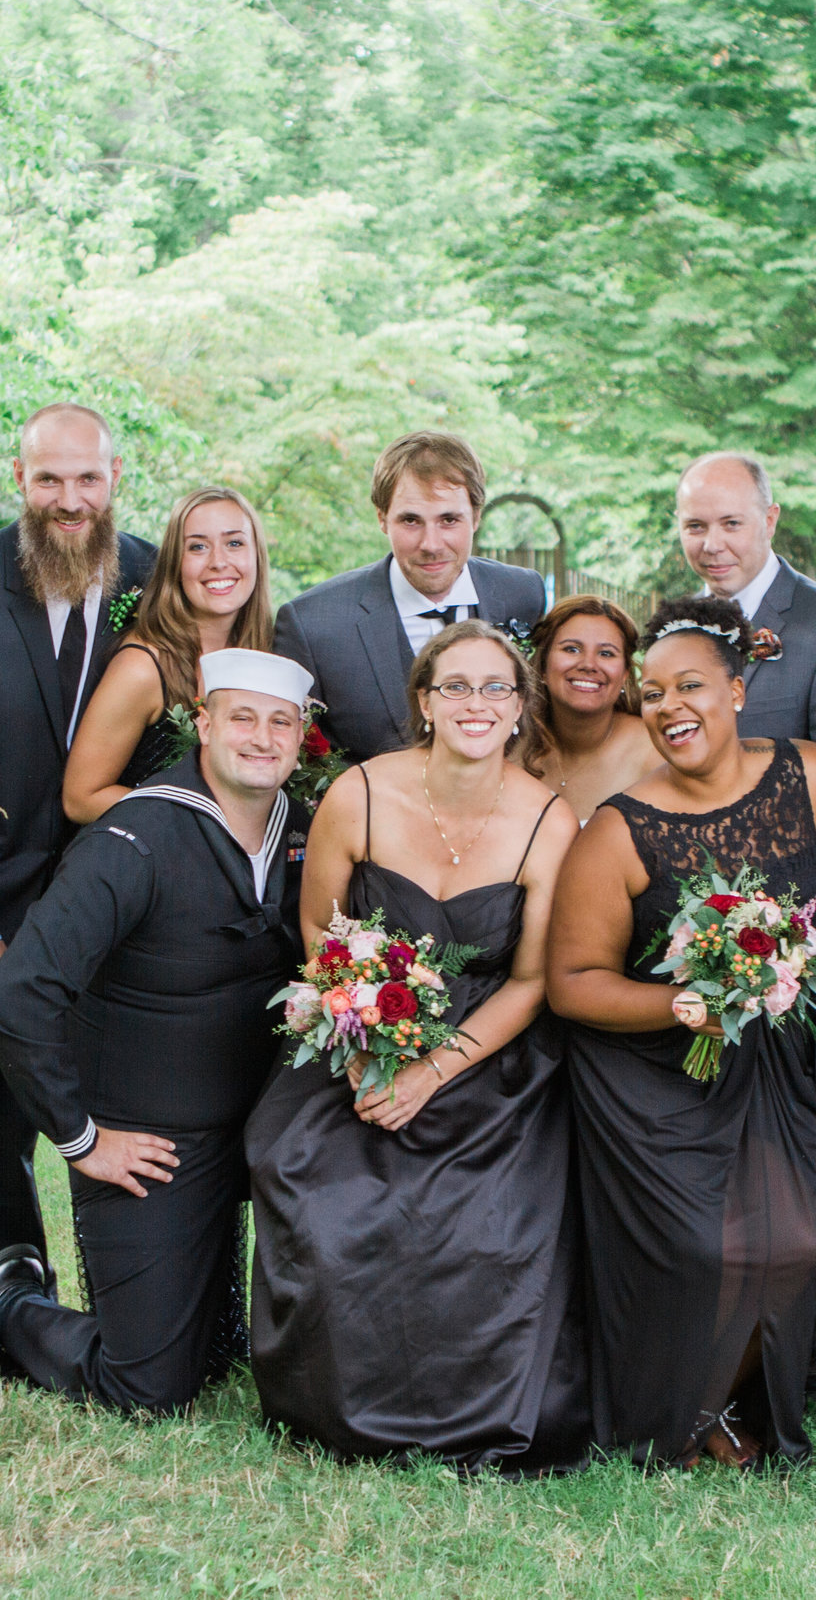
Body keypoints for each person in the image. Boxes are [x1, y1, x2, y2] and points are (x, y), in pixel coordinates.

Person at [247, 622, 588, 1472]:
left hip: (487, 1053)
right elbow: (321, 937)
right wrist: (363, 1046)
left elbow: (533, 980)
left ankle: (483, 1412)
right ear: (425, 703)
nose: (476, 704)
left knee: (487, 1230)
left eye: (496, 689)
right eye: (456, 687)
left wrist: (434, 1068)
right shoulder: (357, 793)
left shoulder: (551, 818)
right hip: (361, 1031)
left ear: (519, 709)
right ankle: (329, 1405)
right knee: (328, 1210)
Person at [0, 402, 159, 1386]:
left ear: (113, 476)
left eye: (86, 479)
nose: (69, 500)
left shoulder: (151, 575)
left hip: (102, 912)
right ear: (18, 478)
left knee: (69, 1101)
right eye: (49, 480)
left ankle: (38, 1283)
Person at [546, 595, 816, 1470]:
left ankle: (729, 1392)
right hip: (656, 1075)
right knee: (698, 1247)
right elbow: (571, 984)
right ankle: (689, 1414)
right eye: (653, 693)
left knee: (797, 1240)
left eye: (691, 686)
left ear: (739, 691)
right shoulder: (617, 831)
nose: (670, 706)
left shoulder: (813, 775)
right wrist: (690, 1005)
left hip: (781, 1067)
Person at [0, 649, 315, 1415]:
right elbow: (16, 996)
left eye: (281, 722)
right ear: (203, 723)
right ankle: (2, 1298)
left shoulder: (307, 832)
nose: (262, 738)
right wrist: (85, 1139)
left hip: (255, 1129)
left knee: (227, 1350)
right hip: (148, 1143)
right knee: (147, 1386)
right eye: (243, 718)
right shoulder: (133, 838)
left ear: (300, 737)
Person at [273, 432, 548, 764]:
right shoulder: (313, 625)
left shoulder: (523, 595)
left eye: (449, 520)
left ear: (476, 516)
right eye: (410, 520)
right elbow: (292, 761)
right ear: (381, 518)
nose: (431, 544)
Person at [63, 486, 275, 823]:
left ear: (257, 556)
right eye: (198, 547)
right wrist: (201, 819)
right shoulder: (142, 667)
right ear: (175, 563)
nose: (219, 561)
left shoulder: (262, 656)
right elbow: (81, 799)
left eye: (235, 543)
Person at [674, 451, 816, 746]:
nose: (712, 545)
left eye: (731, 523)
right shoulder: (675, 628)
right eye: (696, 526)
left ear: (770, 521)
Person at [526, 594, 659, 821]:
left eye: (606, 653)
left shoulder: (654, 752)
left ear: (625, 673)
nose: (588, 664)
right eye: (571, 649)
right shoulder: (511, 747)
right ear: (544, 664)